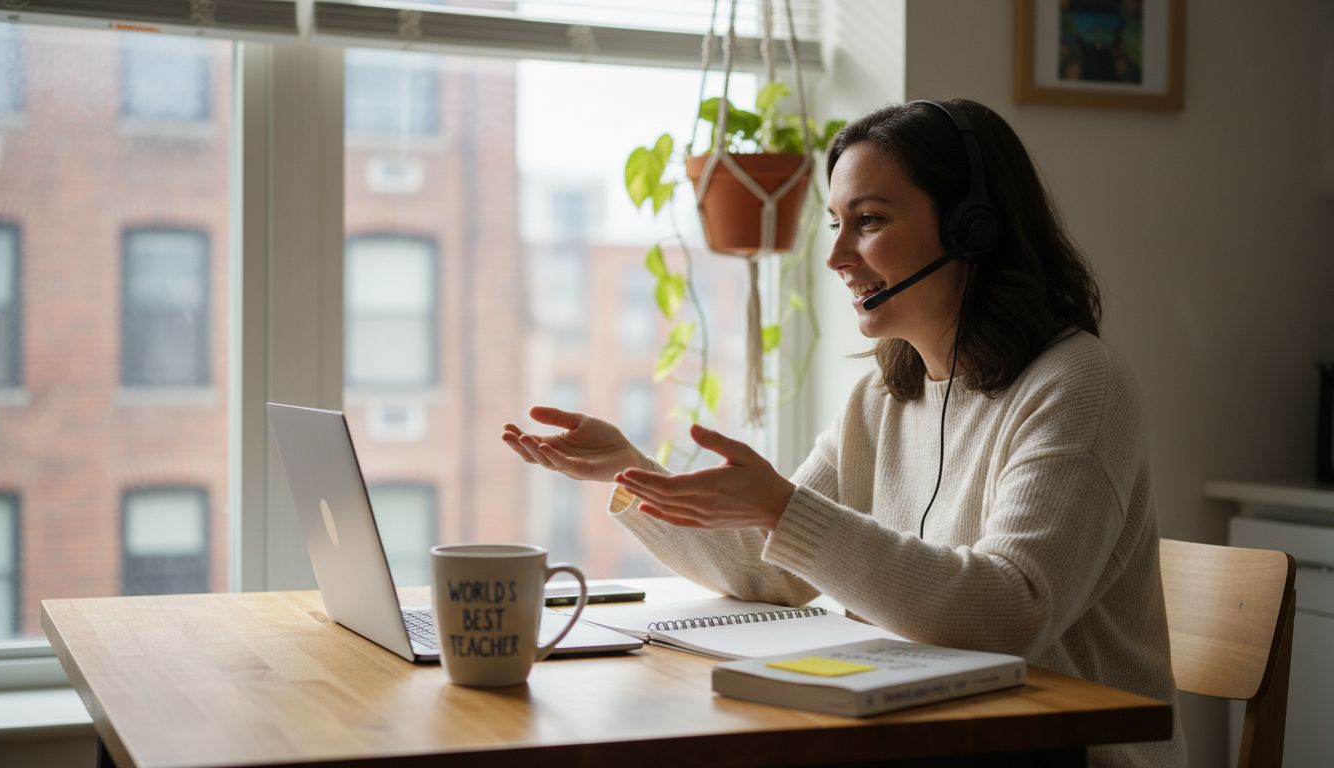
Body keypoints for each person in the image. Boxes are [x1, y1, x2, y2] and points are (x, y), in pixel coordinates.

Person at [501, 99, 1185, 768]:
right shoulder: (882, 399)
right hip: (925, 737)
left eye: (868, 221)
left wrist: (781, 508)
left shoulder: (1079, 384)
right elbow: (768, 571)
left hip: (1064, 751)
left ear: (971, 228)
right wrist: (626, 469)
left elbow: (1009, 614)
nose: (836, 255)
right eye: (834, 223)